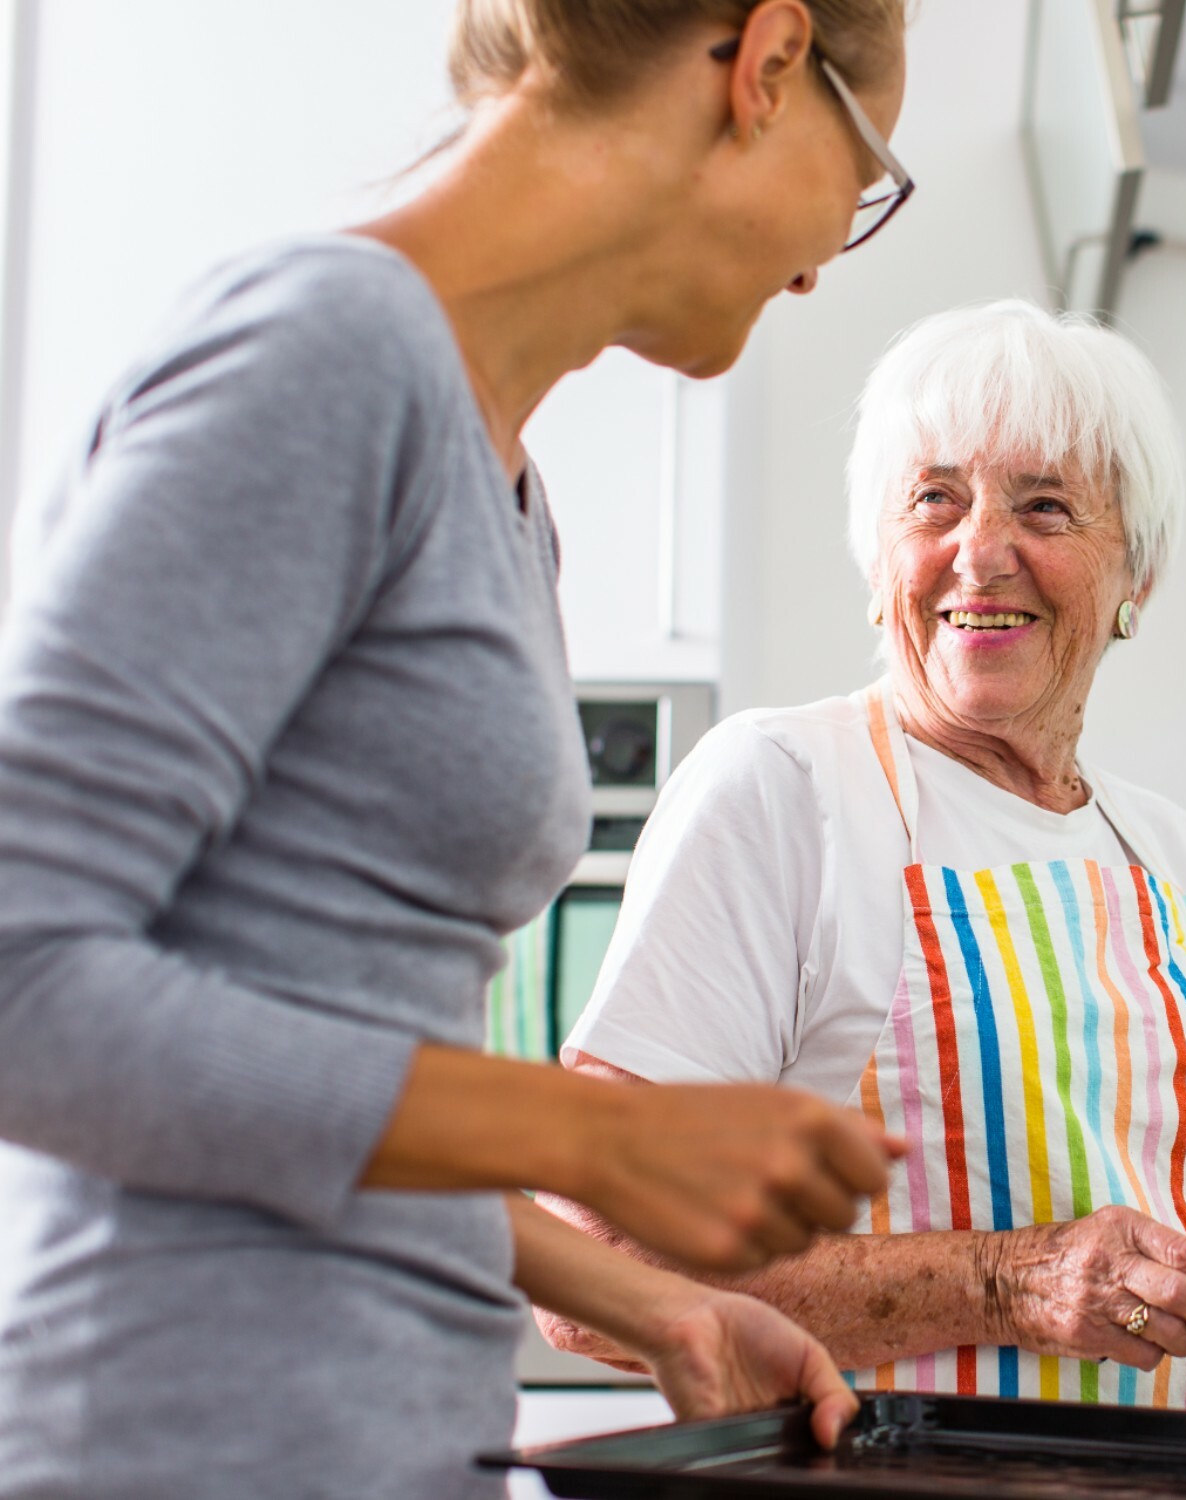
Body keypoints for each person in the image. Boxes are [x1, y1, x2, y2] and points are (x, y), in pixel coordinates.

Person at [0, 2, 917, 1494]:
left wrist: (660, 1300)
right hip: (181, 1440)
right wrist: (598, 1138)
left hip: (393, 1433)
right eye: (863, 176)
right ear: (762, 67)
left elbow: (337, 1081)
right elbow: (19, 976)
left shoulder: (510, 491)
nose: (823, 260)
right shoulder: (327, 354)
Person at [541, 300, 1186, 1413]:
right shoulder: (784, 788)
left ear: (1135, 577)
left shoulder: (1170, 854)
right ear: (878, 553)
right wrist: (1005, 1283)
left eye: (1043, 505)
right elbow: (589, 1260)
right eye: (933, 499)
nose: (979, 552)